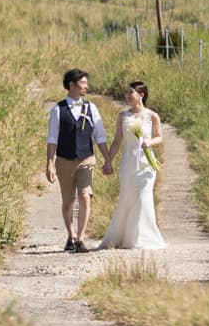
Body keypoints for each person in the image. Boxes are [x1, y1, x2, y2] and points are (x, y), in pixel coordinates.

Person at [45, 68, 111, 252]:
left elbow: (100, 136)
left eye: (86, 83)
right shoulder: (58, 110)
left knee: (84, 197)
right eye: (82, 83)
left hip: (86, 158)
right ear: (71, 85)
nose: (86, 87)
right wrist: (49, 164)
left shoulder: (91, 108)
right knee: (68, 201)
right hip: (64, 160)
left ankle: (81, 239)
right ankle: (71, 235)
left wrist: (107, 159)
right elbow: (52, 139)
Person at [99, 80, 167, 251]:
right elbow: (116, 141)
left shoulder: (152, 116)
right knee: (128, 198)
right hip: (128, 163)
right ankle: (125, 236)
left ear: (141, 95)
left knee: (144, 198)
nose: (128, 96)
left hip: (146, 165)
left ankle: (143, 238)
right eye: (127, 93)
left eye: (131, 93)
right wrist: (108, 160)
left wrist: (149, 142)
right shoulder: (123, 116)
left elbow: (160, 137)